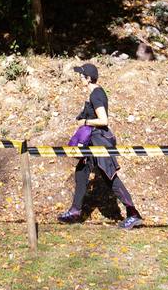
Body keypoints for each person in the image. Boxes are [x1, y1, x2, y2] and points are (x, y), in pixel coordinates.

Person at [57, 63, 144, 229]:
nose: (79, 79)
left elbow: (104, 120)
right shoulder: (94, 93)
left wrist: (86, 121)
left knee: (110, 178)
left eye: (81, 76)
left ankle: (134, 214)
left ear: (88, 78)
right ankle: (75, 211)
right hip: (92, 142)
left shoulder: (96, 94)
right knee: (81, 172)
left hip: (99, 142)